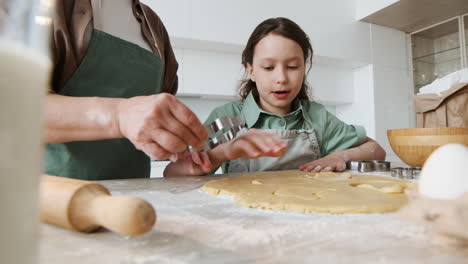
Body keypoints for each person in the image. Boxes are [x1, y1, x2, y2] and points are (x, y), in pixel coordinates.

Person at [164, 17, 386, 176]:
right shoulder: (227, 119)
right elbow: (173, 173)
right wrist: (224, 152)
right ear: (251, 70)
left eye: (292, 66)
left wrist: (340, 157)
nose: (281, 78)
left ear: (304, 68)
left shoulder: (317, 117)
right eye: (269, 67)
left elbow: (376, 150)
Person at [44, 0, 210, 180]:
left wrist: (183, 153)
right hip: (57, 198)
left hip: (133, 198)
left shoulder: (154, 25)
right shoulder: (50, 6)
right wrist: (120, 116)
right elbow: (17, 110)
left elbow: (159, 122)